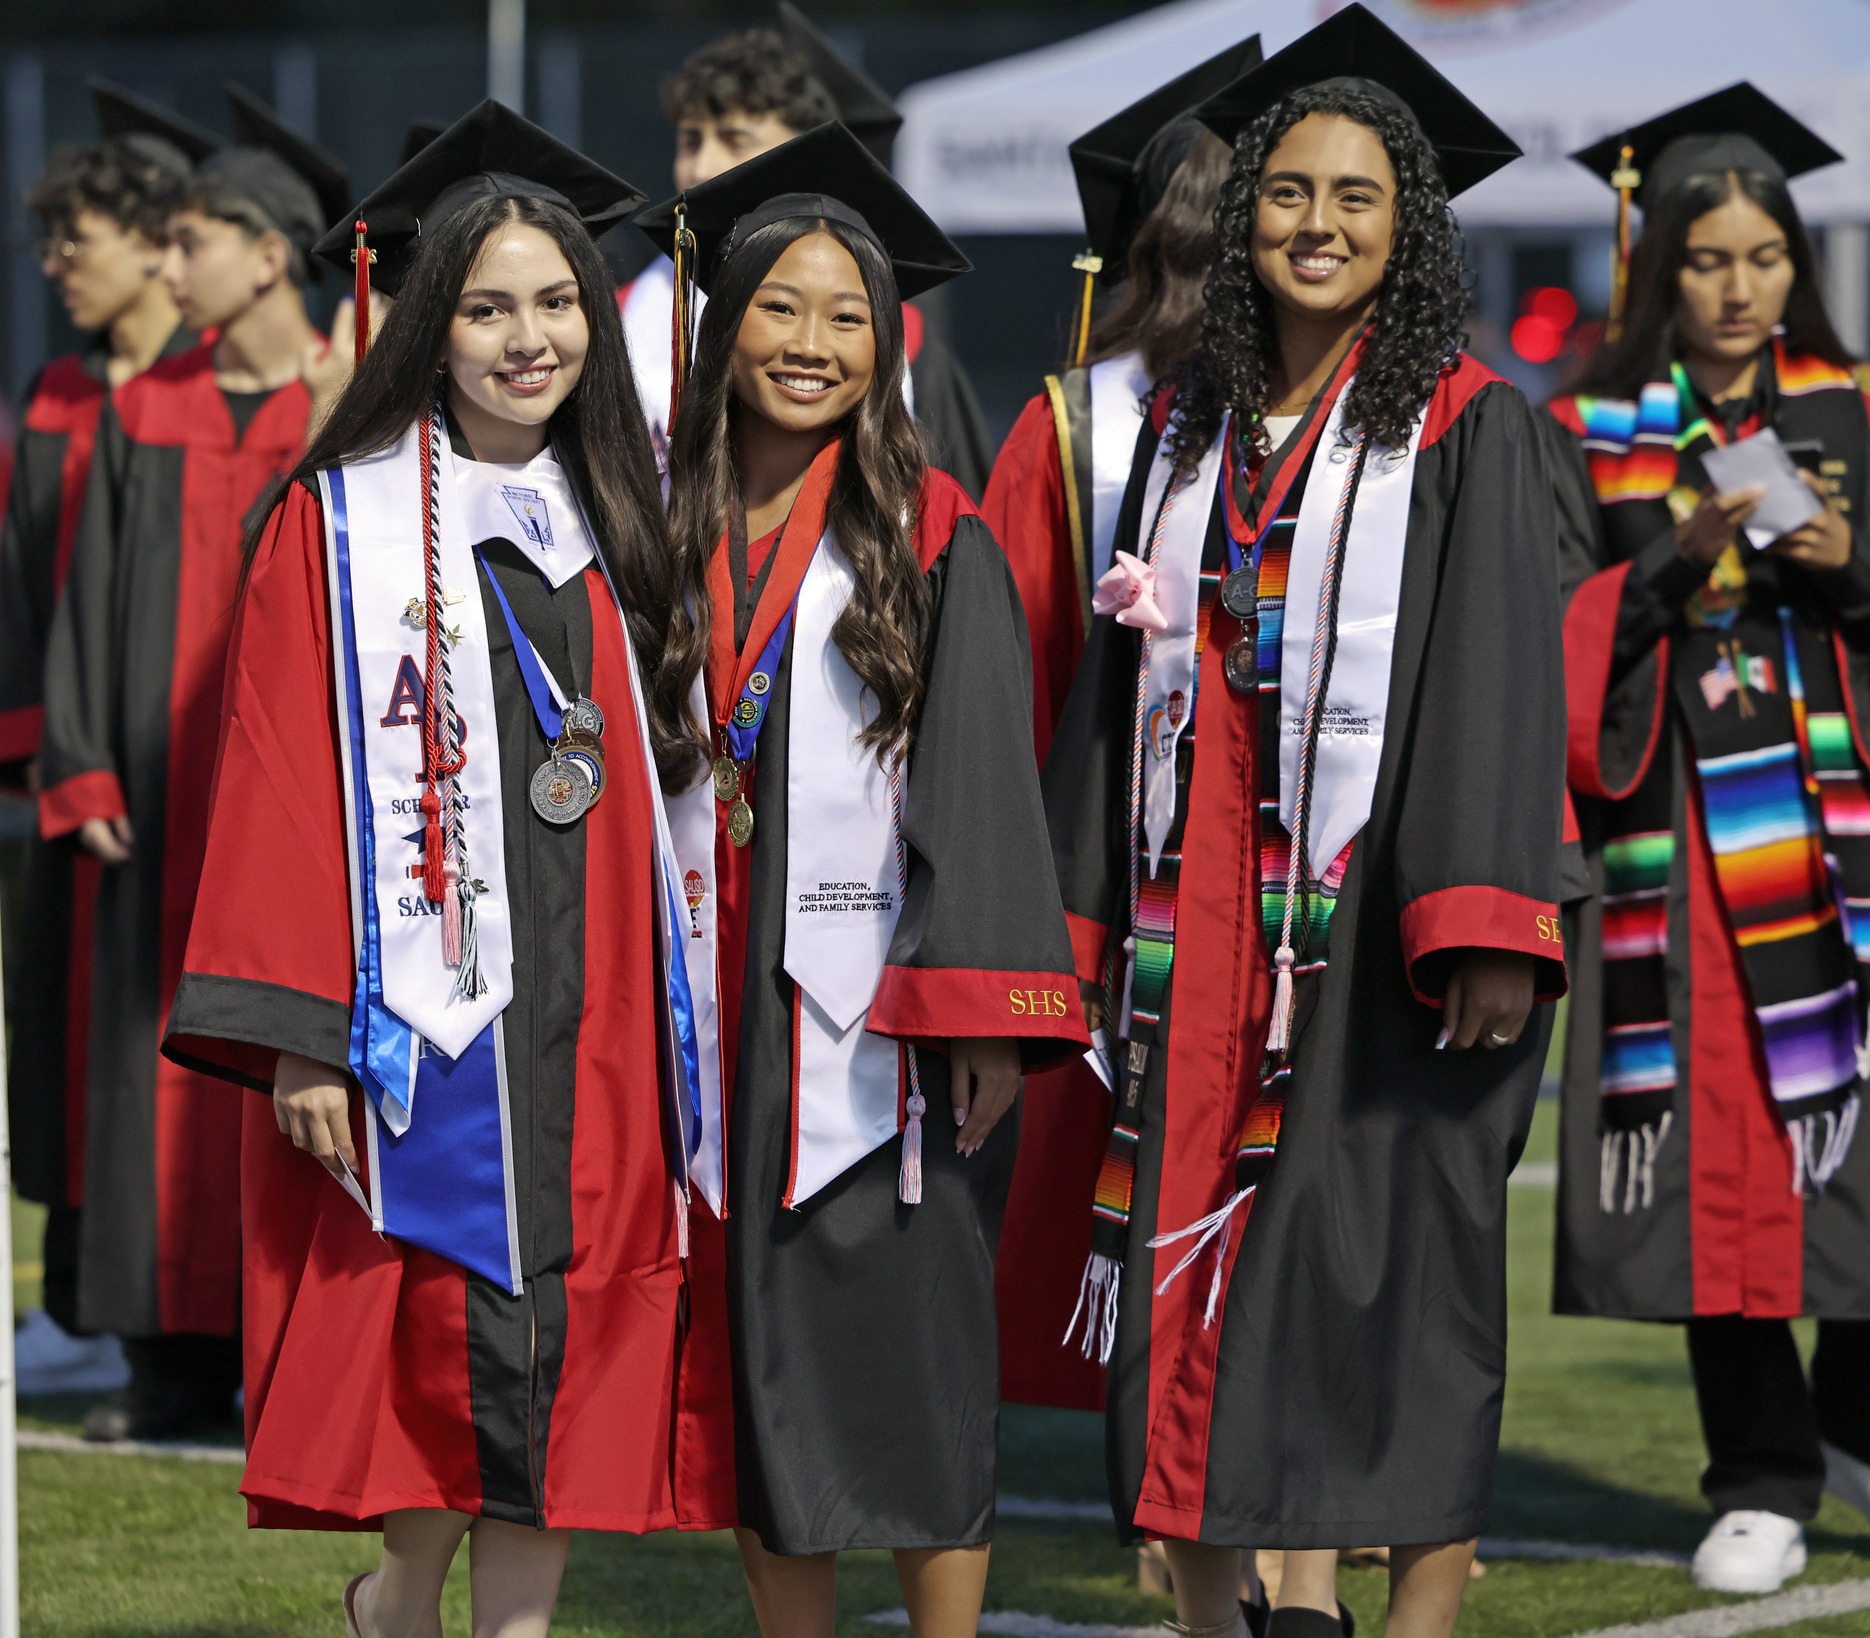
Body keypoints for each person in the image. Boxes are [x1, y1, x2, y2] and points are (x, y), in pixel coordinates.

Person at [1041, 11, 1563, 1637]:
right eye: (1282, 193)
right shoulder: (1181, 433)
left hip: (1381, 930)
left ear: (1405, 227)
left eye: (1351, 197)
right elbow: (1114, 695)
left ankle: (1402, 1618)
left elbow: (1496, 675)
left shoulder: (1469, 424)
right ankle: (1219, 1612)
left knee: (1388, 1274)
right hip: (1190, 936)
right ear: (1239, 212)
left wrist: (1479, 912)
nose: (1312, 224)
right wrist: (1070, 918)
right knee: (1184, 1274)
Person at [162, 101, 706, 1636]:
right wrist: (300, 1033)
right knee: (441, 1320)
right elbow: (272, 784)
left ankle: (508, 1626)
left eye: (553, 303)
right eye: (485, 307)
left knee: (568, 1328)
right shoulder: (336, 530)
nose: (527, 339)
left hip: (591, 1004)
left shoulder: (615, 514)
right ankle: (400, 1591)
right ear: (424, 322)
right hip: (425, 1006)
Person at [1543, 83, 1870, 1597]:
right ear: (1655, 267)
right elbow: (1545, 631)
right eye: (1703, 259)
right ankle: (1756, 1470)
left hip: (1842, 846)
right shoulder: (1587, 434)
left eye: (1762, 256)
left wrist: (1855, 562)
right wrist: (1671, 566)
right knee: (1710, 1157)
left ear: (1794, 260)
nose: (1737, 286)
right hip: (1676, 853)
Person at [639, 120, 1087, 1637]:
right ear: (722, 319)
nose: (813, 343)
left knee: (915, 1347)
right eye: (780, 306)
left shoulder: (929, 532)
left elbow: (980, 779)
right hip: (706, 998)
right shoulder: (655, 529)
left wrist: (981, 1007)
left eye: (849, 316)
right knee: (760, 1350)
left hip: (882, 1013)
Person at [36, 82, 356, 1443]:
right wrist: (86, 767)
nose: (169, 271)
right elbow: (86, 598)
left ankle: (277, 1355)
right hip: (155, 805)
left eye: (191, 243)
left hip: (288, 806)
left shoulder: (342, 410)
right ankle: (164, 1368)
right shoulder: (144, 409)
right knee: (142, 1072)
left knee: (278, 1056)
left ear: (268, 251)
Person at [979, 37, 1251, 1430]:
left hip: (1275, 867)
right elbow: (1017, 671)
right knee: (1123, 1172)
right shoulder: (1075, 429)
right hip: (1116, 866)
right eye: (1197, 254)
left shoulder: (1365, 427)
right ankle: (1161, 1464)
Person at [0, 82, 206, 1359]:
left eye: (77, 239)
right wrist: (43, 743)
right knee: (67, 1042)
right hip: (71, 773)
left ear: (153, 241)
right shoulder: (55, 395)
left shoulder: (208, 393)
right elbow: (19, 584)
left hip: (169, 762)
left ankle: (158, 1319)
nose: (56, 265)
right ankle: (77, 1297)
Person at [620, 1, 994, 496]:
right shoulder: (621, 315)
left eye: (735, 139)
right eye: (690, 141)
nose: (699, 168)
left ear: (804, 149)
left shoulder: (903, 343)